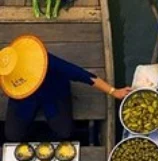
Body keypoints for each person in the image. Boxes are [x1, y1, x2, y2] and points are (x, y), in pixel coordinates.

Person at [1, 35, 130, 142]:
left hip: (53, 94)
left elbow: (83, 75)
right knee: (12, 135)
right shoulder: (5, 72)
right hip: (24, 100)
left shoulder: (45, 62)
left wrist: (113, 91)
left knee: (64, 132)